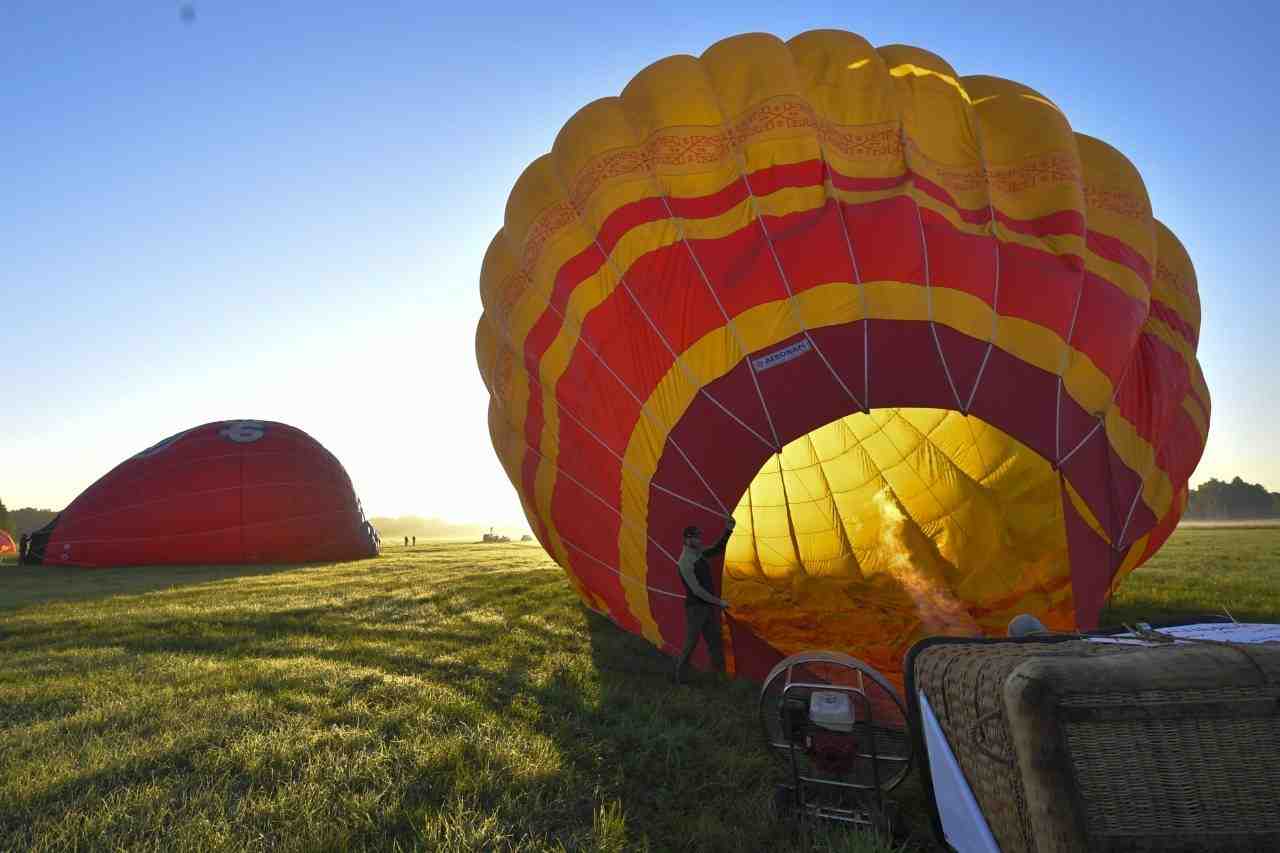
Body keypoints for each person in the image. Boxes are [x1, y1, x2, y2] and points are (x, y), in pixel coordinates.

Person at [673, 517, 736, 684]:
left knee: (715, 641)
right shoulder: (685, 562)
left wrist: (728, 530)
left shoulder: (698, 553)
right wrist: (719, 602)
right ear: (687, 539)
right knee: (691, 643)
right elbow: (696, 590)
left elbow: (717, 549)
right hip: (696, 609)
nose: (699, 540)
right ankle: (681, 677)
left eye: (699, 537)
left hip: (707, 607)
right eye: (696, 537)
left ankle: (719, 676)